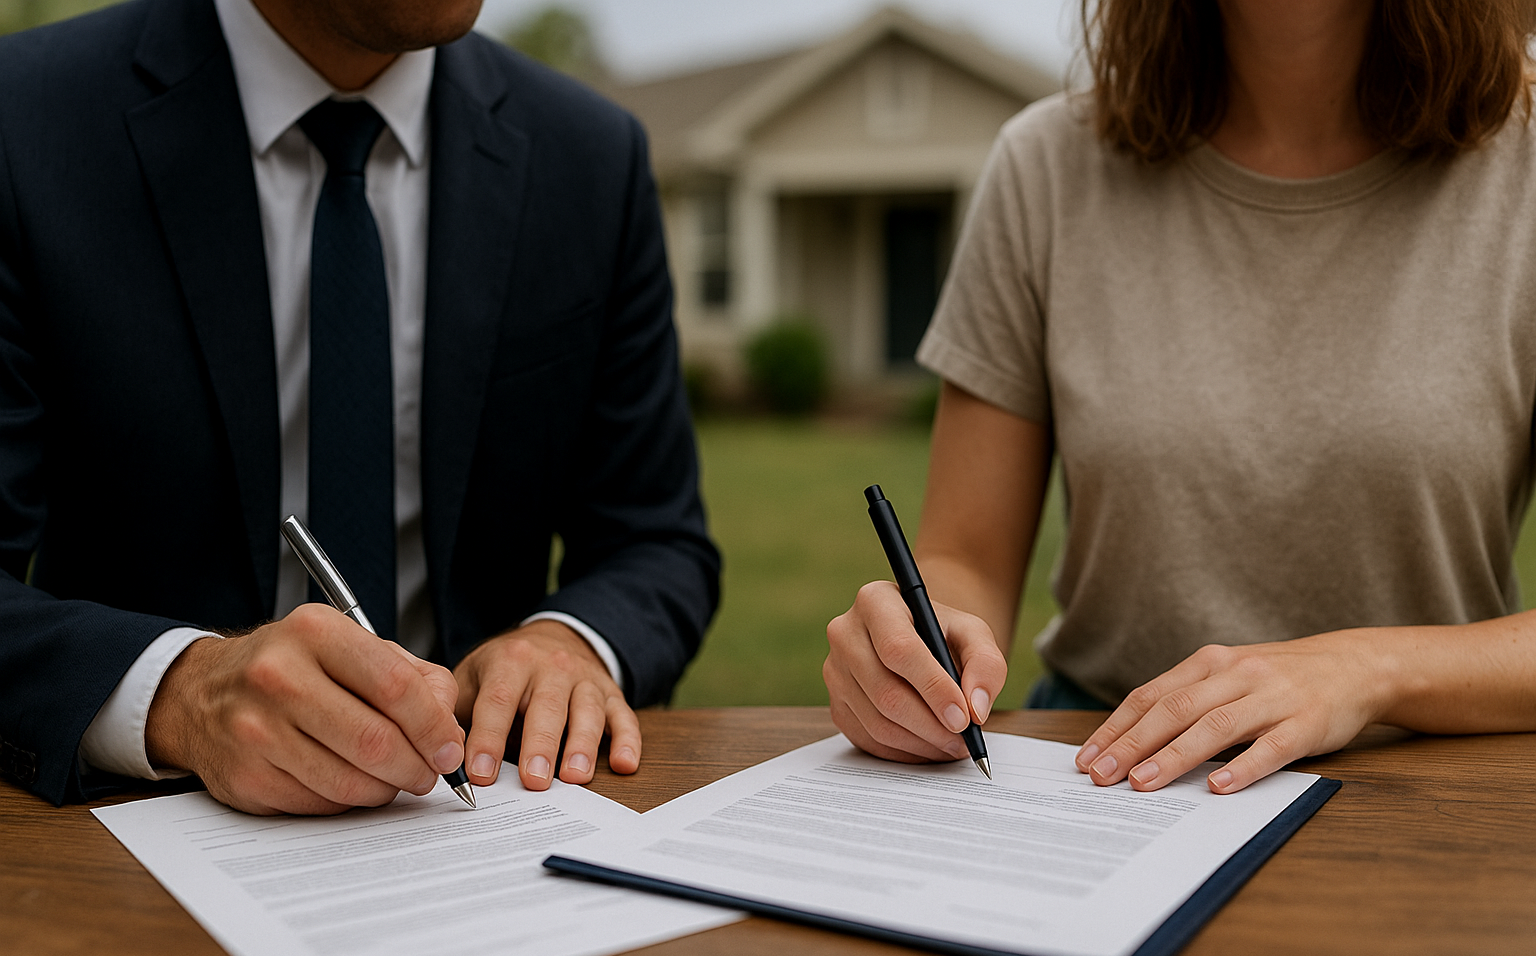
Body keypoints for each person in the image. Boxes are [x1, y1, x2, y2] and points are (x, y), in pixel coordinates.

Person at [0, 0, 718, 812]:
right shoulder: (25, 121)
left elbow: (654, 538)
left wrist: (570, 641)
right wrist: (180, 694)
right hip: (133, 838)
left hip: (485, 815)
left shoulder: (590, 156)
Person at [824, 0, 1536, 794]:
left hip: (1422, 781)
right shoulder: (1046, 166)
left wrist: (1368, 669)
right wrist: (915, 651)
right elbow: (966, 558)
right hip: (1108, 773)